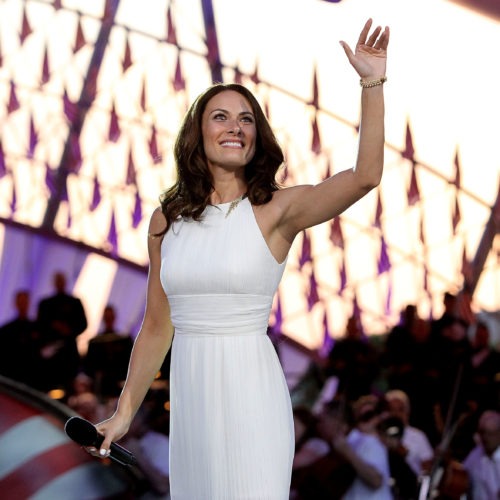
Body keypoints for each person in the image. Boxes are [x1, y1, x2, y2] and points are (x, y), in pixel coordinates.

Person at [90, 19, 390, 499]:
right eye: (221, 116)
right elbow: (156, 326)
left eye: (246, 118)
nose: (235, 127)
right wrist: (124, 413)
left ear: (257, 136)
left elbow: (364, 177)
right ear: (198, 132)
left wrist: (371, 83)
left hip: (253, 396)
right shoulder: (166, 221)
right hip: (192, 402)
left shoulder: (277, 210)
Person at [37, 271, 88, 391]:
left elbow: (83, 324)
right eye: (57, 280)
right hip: (51, 356)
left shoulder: (74, 303)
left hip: (69, 353)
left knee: (69, 385)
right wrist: (54, 327)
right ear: (54, 283)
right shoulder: (46, 304)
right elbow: (40, 325)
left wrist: (69, 330)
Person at [84, 305, 134, 400]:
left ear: (114, 318)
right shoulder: (95, 342)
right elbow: (89, 366)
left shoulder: (124, 340)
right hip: (102, 387)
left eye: (110, 317)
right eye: (107, 317)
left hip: (121, 385)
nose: (108, 320)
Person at [462, 410, 500, 499]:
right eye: (483, 433)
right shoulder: (476, 453)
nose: (485, 437)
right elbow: (462, 475)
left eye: (490, 434)